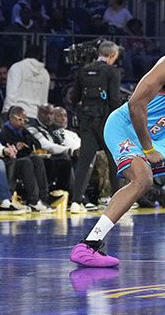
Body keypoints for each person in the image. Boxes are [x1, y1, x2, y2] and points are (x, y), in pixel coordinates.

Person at [69, 23, 165, 267]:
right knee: (142, 179)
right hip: (125, 127)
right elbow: (135, 104)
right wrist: (148, 149)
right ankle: (88, 245)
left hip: (156, 135)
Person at [69, 40, 123, 210]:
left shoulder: (83, 70)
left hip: (86, 121)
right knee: (115, 160)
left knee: (84, 161)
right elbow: (114, 100)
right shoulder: (112, 71)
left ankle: (76, 201)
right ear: (112, 56)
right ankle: (118, 202)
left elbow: (74, 97)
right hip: (106, 123)